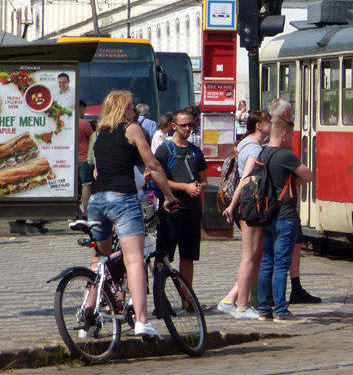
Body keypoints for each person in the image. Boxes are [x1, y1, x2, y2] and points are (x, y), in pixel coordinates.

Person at [88, 90, 178, 338]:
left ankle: (88, 317)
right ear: (124, 110)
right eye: (131, 108)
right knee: (135, 260)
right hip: (123, 199)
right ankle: (141, 321)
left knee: (99, 262)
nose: (134, 113)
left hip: (97, 200)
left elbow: (96, 172)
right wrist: (169, 197)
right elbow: (153, 165)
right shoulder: (131, 129)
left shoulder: (99, 133)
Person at [219, 110, 273, 320]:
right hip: (249, 206)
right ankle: (242, 306)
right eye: (268, 122)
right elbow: (246, 178)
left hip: (245, 206)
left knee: (255, 255)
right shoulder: (254, 149)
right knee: (250, 256)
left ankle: (230, 300)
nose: (270, 125)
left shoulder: (243, 143)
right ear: (259, 126)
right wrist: (232, 207)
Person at [257, 118, 313, 323]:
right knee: (281, 264)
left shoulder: (262, 154)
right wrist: (297, 178)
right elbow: (309, 175)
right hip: (284, 216)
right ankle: (281, 310)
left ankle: (264, 309)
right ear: (283, 135)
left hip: (267, 215)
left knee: (267, 262)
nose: (290, 139)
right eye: (290, 135)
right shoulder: (285, 155)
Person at [269, 97, 321, 304]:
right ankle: (276, 302)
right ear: (288, 115)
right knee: (276, 257)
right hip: (281, 208)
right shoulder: (278, 139)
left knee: (296, 243)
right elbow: (304, 174)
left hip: (280, 206)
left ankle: (295, 289)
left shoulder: (273, 134)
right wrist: (292, 184)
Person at [154, 110, 208, 287]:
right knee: (164, 255)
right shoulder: (165, 150)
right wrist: (185, 187)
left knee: (189, 256)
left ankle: (187, 298)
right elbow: (158, 179)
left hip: (193, 210)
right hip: (172, 209)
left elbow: (204, 181)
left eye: (190, 125)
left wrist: (199, 188)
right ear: (174, 126)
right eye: (183, 125)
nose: (187, 128)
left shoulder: (196, 151)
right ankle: (161, 299)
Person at [76, 101, 93, 216]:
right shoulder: (84, 124)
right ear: (81, 110)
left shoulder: (67, 123)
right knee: (86, 184)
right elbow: (93, 138)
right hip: (84, 158)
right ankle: (86, 211)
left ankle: (76, 210)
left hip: (71, 160)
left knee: (74, 187)